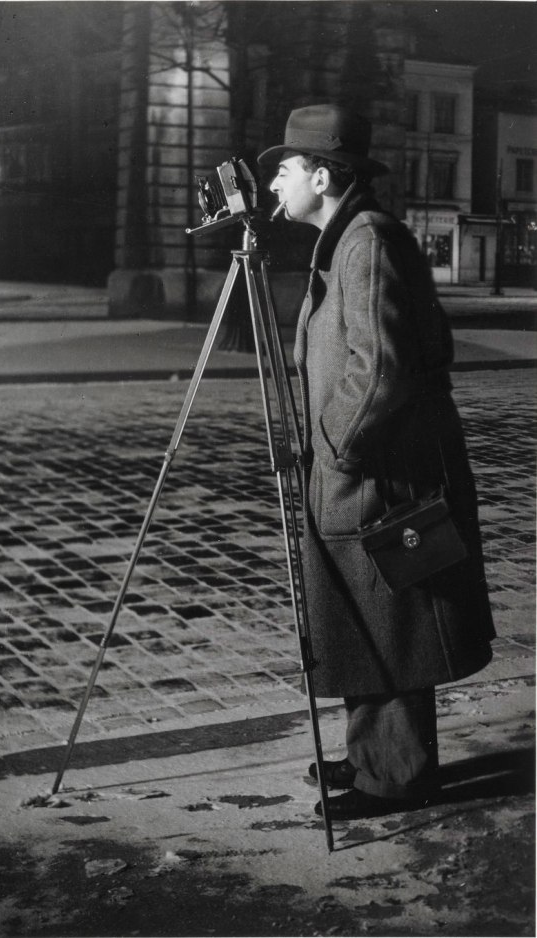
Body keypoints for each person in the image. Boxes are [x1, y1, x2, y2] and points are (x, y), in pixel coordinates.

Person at [257, 104, 495, 821]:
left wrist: (335, 449)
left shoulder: (367, 243)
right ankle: (374, 753)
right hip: (361, 470)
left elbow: (382, 368)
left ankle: (396, 774)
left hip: (374, 473)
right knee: (362, 614)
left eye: (285, 170)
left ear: (322, 175)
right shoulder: (346, 240)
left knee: (391, 618)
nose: (273, 186)